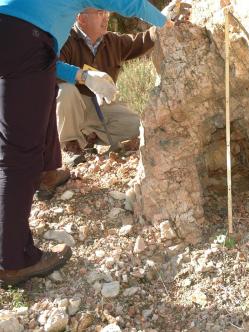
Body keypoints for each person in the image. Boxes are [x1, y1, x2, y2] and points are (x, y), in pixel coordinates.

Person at [0, 0, 190, 286]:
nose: (104, 16)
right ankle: (13, 261)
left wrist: (82, 75)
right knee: (18, 156)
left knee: (21, 134)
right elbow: (129, 3)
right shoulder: (58, 30)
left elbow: (47, 63)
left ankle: (45, 175)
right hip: (27, 38)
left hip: (12, 34)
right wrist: (165, 23)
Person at [57, 8, 157, 161]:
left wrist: (162, 26)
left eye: (106, 13)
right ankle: (70, 145)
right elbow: (52, 71)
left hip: (102, 106)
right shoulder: (64, 40)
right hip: (74, 107)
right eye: (100, 13)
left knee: (138, 127)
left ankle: (90, 136)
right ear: (81, 19)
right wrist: (84, 77)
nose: (106, 18)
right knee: (66, 90)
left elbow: (141, 41)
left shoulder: (113, 41)